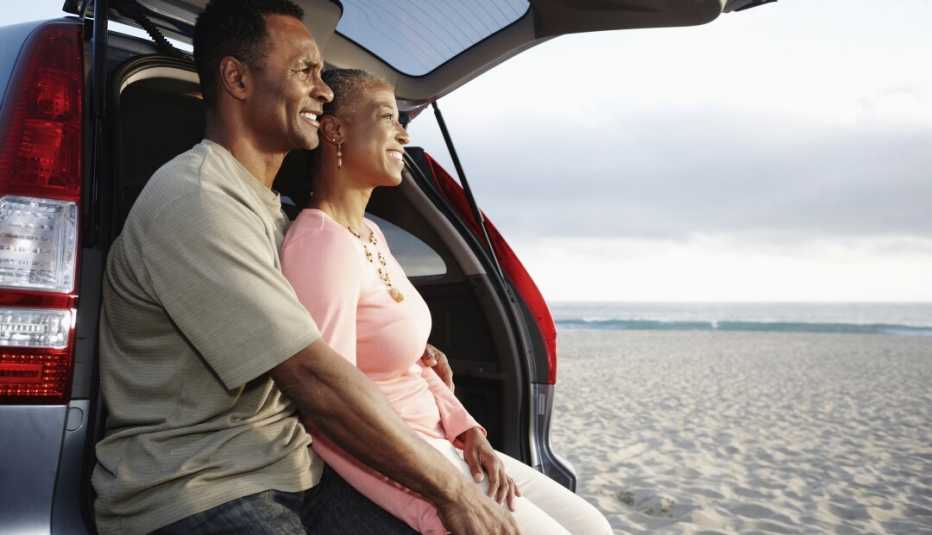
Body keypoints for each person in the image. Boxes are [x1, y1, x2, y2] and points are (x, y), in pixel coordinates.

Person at [91, 1, 519, 534]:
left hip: (294, 468)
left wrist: (410, 353)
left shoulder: (272, 211)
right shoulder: (197, 199)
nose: (323, 90)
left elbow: (326, 336)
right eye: (304, 70)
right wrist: (453, 491)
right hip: (203, 486)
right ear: (237, 78)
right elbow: (313, 377)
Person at [280, 68, 613, 535]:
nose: (403, 131)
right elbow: (330, 413)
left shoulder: (369, 233)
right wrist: (434, 506)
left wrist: (467, 428)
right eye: (386, 117)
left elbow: (414, 364)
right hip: (406, 459)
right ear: (335, 130)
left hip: (443, 444)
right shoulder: (320, 245)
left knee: (593, 526)